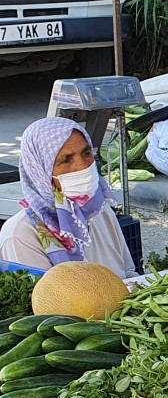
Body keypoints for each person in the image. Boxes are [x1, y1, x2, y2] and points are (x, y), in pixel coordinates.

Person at [0, 117, 137, 278]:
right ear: (40, 172)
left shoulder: (101, 211)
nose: (82, 166)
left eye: (86, 153)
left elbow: (128, 273)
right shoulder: (22, 234)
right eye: (66, 159)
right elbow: (45, 301)